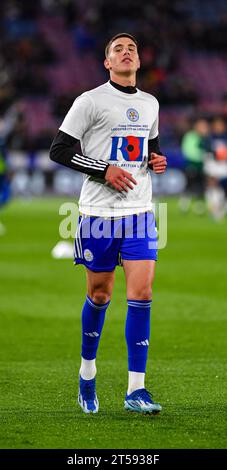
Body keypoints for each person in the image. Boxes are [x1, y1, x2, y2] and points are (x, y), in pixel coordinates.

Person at [50, 33, 167, 414]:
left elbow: (151, 147)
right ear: (107, 63)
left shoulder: (151, 104)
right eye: (118, 49)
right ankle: (87, 372)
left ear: (138, 59)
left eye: (131, 47)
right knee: (100, 296)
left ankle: (137, 390)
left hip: (139, 212)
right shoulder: (90, 101)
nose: (126, 51)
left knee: (143, 294)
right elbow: (60, 149)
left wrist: (156, 160)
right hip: (98, 215)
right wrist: (104, 170)